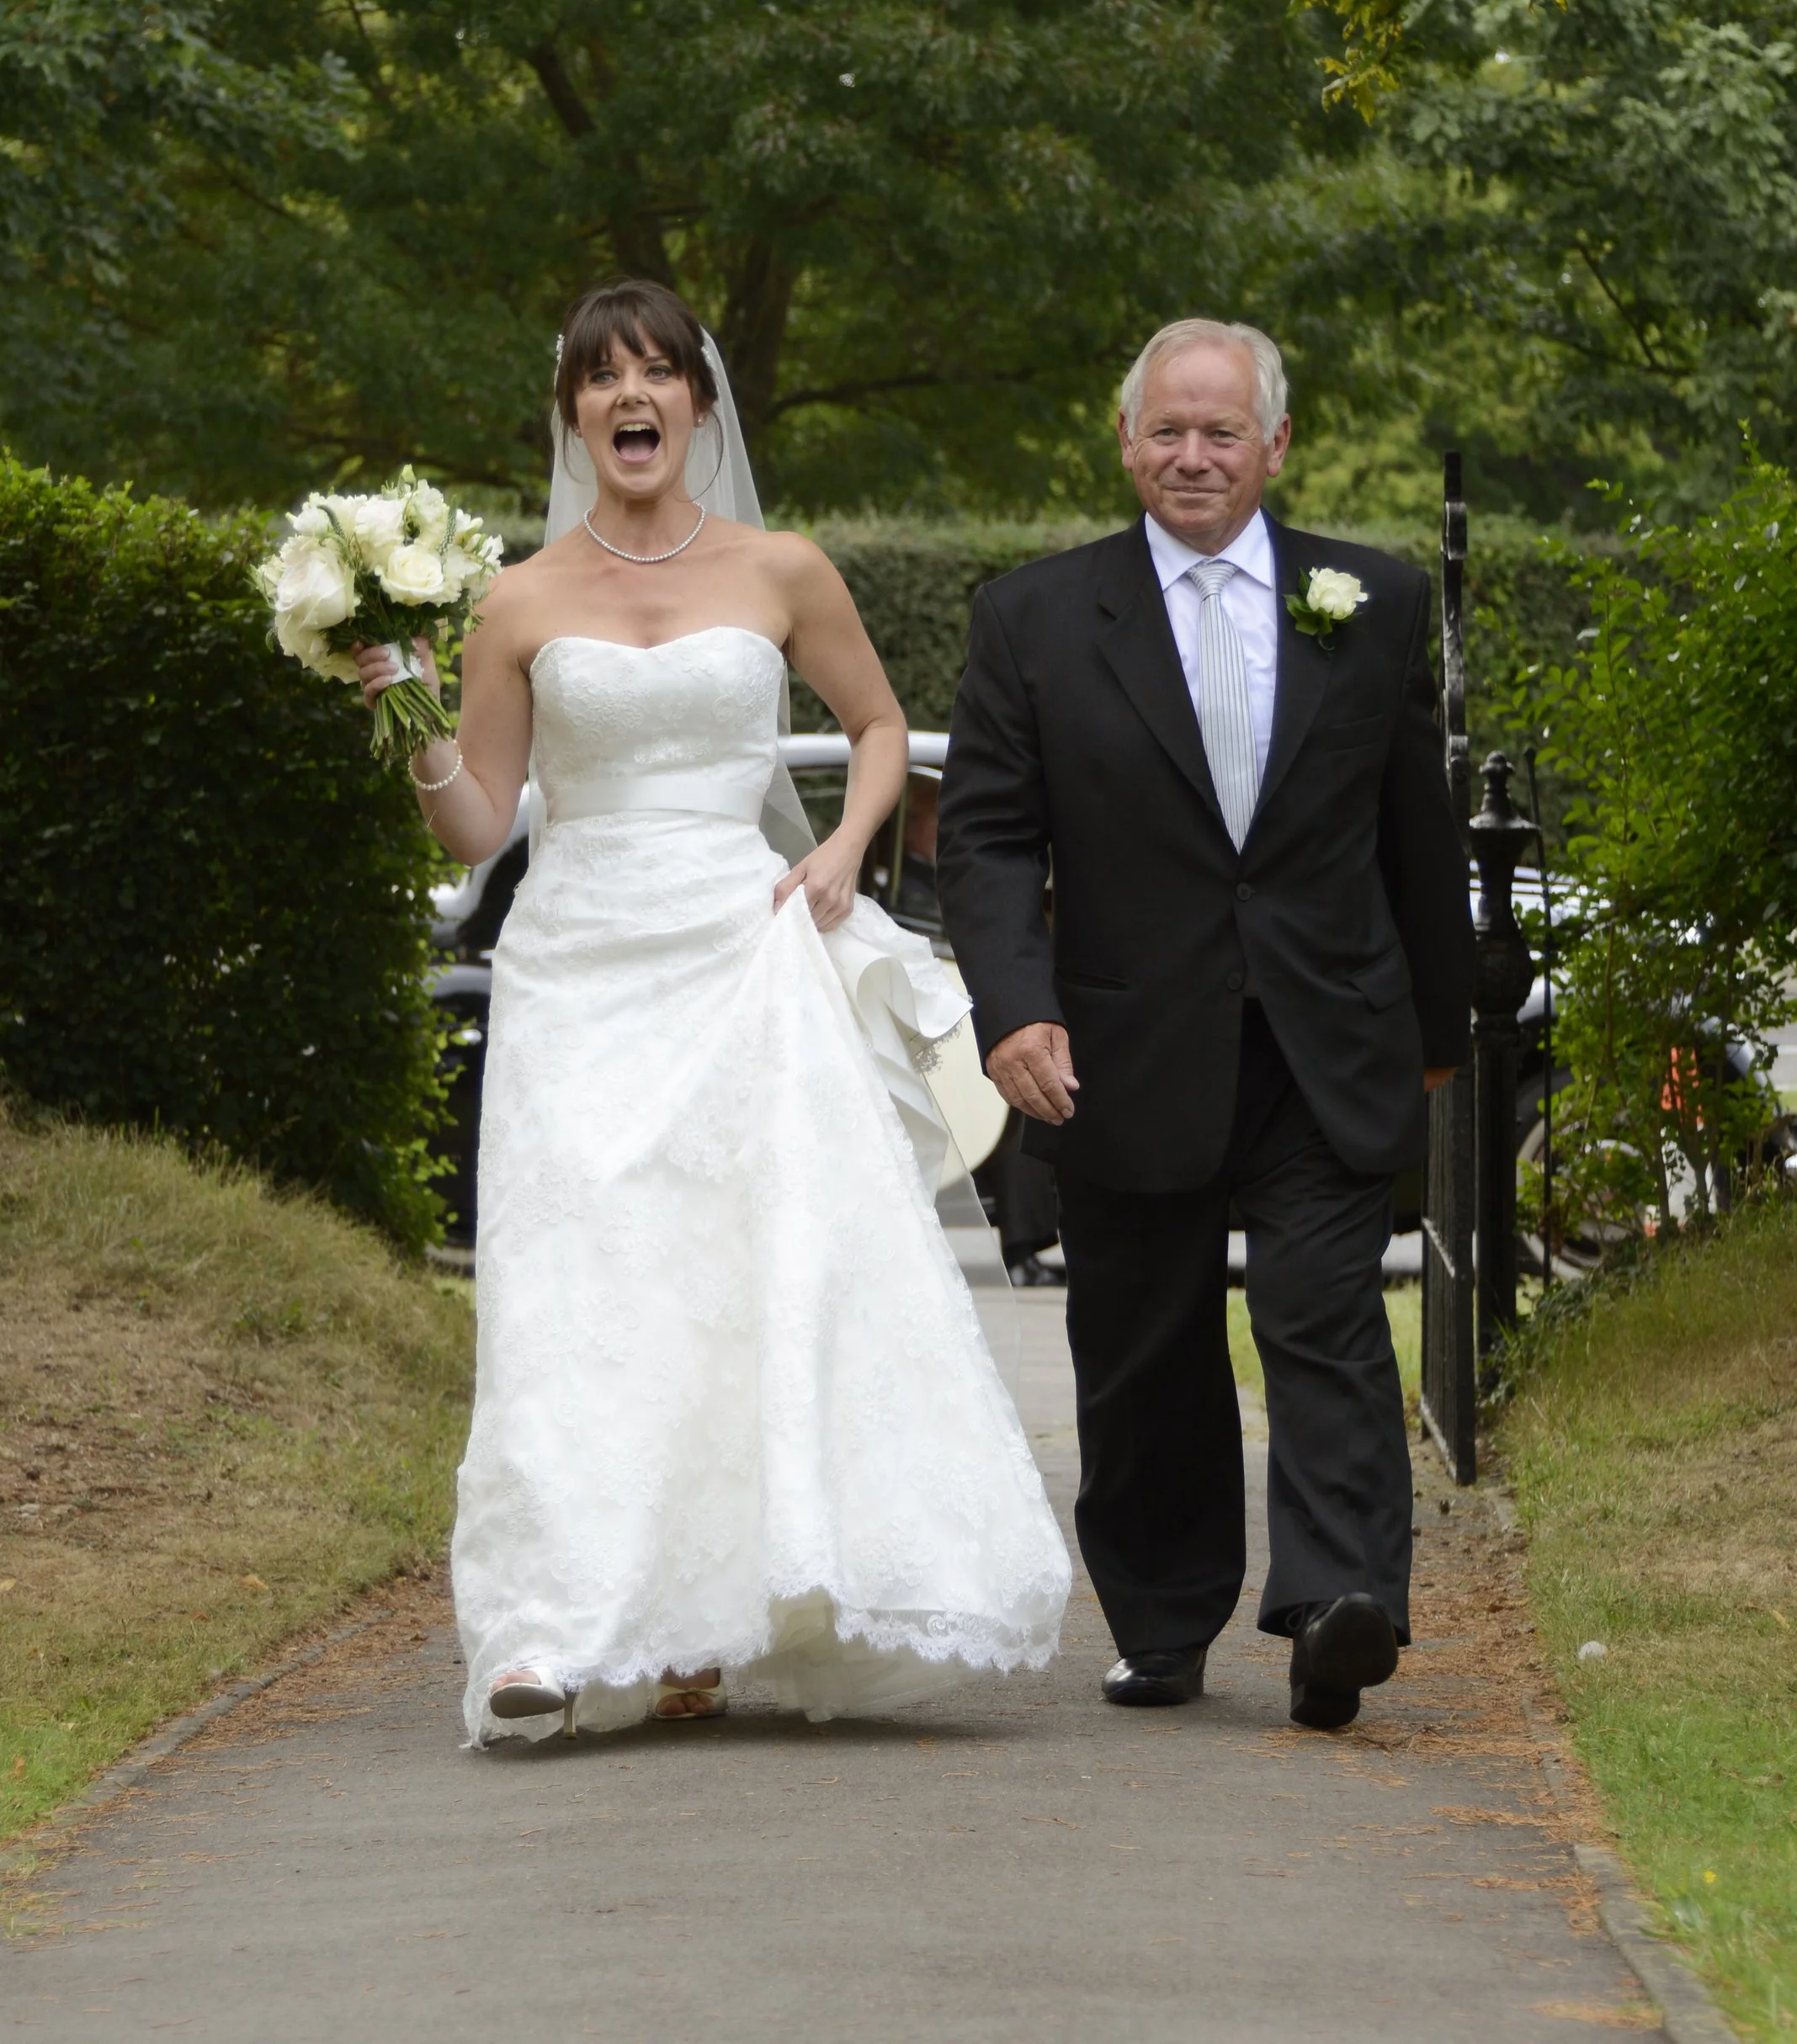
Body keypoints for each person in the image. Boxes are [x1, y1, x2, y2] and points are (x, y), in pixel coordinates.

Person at [359, 281, 1069, 1743]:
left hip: (743, 957)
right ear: (572, 411)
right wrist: (414, 717)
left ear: (697, 403)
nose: (633, 395)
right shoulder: (518, 597)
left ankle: (724, 1602)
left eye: (659, 372)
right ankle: (547, 1628)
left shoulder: (782, 568)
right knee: (577, 1293)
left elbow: (879, 726)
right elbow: (480, 827)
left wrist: (839, 847)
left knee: (744, 1281)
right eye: (603, 375)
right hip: (580, 970)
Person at [937, 317, 1475, 1729]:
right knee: (1145, 1340)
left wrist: (1440, 1026)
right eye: (1166, 430)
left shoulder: (1377, 598)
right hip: (1119, 1046)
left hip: (1323, 1038)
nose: (1192, 455)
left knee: (1325, 1315)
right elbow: (989, 841)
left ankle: (1342, 1602)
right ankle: (1164, 1621)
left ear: (1274, 445)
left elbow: (1412, 827)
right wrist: (1014, 1010)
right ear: (1126, 442)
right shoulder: (1034, 620)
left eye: (1220, 431)